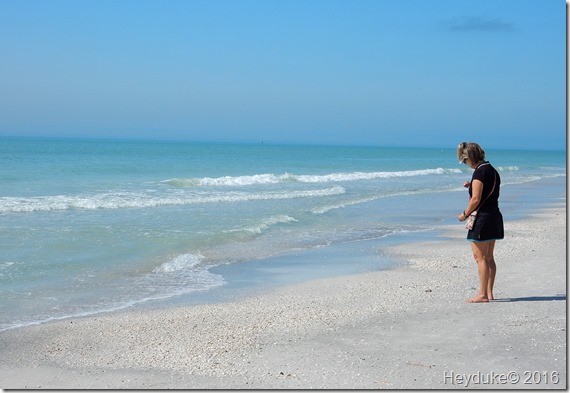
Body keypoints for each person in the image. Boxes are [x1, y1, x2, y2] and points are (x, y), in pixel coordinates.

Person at [456, 142, 504, 303]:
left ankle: (482, 294)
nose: (465, 164)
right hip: (494, 216)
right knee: (489, 257)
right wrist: (471, 185)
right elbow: (488, 189)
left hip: (482, 219)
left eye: (464, 161)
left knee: (480, 258)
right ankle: (489, 292)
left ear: (470, 158)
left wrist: (464, 214)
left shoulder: (479, 173)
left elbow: (476, 199)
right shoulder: (492, 170)